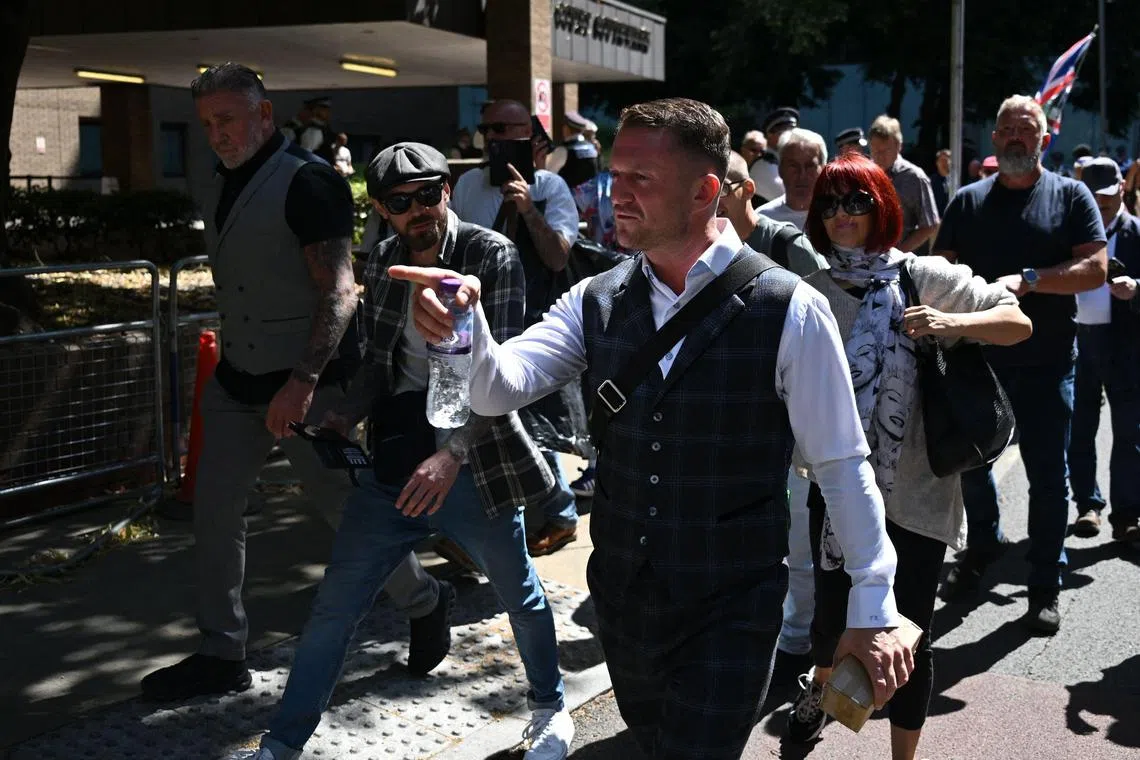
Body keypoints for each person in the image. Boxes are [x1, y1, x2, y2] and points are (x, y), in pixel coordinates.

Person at [394, 97, 913, 760]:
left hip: (733, 601)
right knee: (654, 741)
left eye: (642, 179)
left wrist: (874, 607)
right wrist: (463, 329)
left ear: (703, 191)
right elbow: (499, 388)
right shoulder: (598, 296)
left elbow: (842, 468)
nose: (619, 195)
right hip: (624, 598)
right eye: (617, 175)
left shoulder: (791, 308)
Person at [226, 143, 574, 760]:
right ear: (382, 212)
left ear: (446, 191)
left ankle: (549, 709)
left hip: (475, 459)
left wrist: (454, 454)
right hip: (393, 463)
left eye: (428, 194)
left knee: (518, 591)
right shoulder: (384, 260)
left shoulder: (490, 255)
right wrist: (344, 414)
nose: (418, 210)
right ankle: (281, 745)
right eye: (399, 202)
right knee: (334, 610)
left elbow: (512, 375)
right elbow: (378, 367)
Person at [140, 63, 451, 704]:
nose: (217, 134)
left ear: (263, 114)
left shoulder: (310, 183)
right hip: (235, 378)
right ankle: (222, 651)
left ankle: (424, 600)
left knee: (349, 513)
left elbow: (338, 292)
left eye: (226, 119)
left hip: (309, 385)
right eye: (205, 124)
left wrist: (304, 382)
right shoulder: (220, 179)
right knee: (216, 513)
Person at [784, 153, 1031, 758]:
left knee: (908, 638)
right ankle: (820, 697)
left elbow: (1016, 321)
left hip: (917, 492)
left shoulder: (922, 276)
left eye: (857, 202)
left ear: (882, 209)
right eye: (831, 203)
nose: (842, 214)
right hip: (836, 485)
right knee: (829, 623)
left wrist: (948, 321)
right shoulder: (808, 293)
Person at [934, 95, 1107, 634]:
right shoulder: (966, 202)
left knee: (1048, 479)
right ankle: (983, 545)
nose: (1014, 136)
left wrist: (1030, 278)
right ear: (993, 141)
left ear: (1043, 138)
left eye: (1024, 128)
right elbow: (940, 267)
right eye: (1005, 128)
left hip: (1047, 364)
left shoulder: (1071, 195)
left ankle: (1044, 583)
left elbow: (1095, 268)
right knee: (970, 469)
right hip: (976, 365)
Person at [450, 99, 583, 557]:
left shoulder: (551, 187)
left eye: (507, 129)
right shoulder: (468, 184)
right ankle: (509, 522)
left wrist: (527, 209)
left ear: (530, 132)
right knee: (489, 417)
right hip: (481, 318)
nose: (496, 139)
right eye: (488, 129)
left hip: (534, 319)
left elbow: (559, 256)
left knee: (525, 420)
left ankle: (558, 513)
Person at [717, 149, 827, 663]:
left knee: (799, 538)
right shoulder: (702, 247)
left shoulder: (784, 243)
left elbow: (831, 315)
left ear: (746, 191)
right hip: (737, 421)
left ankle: (798, 637)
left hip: (794, 420)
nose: (711, 197)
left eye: (723, 186)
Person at [1067, 157, 1140, 543]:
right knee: (1080, 429)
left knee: (1129, 431)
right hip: (1078, 341)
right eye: (1094, 197)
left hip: (1125, 345)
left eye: (1109, 196)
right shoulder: (1072, 233)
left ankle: (1127, 514)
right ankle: (1088, 506)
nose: (1102, 203)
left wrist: (1137, 287)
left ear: (1122, 191)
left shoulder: (1135, 232)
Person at [868, 115, 940, 254]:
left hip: (903, 263)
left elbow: (930, 225)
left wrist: (898, 253)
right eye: (875, 150)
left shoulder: (914, 177)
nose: (879, 156)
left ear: (898, 146)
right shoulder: (865, 174)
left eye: (885, 150)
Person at [758, 127, 827, 230]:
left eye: (810, 166)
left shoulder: (837, 217)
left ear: (823, 169)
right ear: (780, 169)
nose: (802, 175)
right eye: (793, 166)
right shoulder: (762, 220)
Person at [750, 106, 798, 204]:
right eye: (784, 132)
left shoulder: (783, 161)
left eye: (793, 132)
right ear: (770, 135)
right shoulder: (763, 165)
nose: (790, 138)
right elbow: (793, 200)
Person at [546, 110, 600, 190]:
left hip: (568, 199)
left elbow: (548, 176)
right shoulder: (592, 148)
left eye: (564, 126)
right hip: (590, 199)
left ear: (567, 128)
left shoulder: (563, 150)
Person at [298, 96, 336, 164]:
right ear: (315, 110)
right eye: (324, 109)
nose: (328, 112)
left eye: (328, 109)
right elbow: (305, 155)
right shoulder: (314, 131)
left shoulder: (324, 128)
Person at [932, 148, 951, 214]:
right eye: (942, 160)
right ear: (937, 163)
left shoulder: (954, 180)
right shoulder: (931, 182)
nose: (945, 163)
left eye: (947, 160)